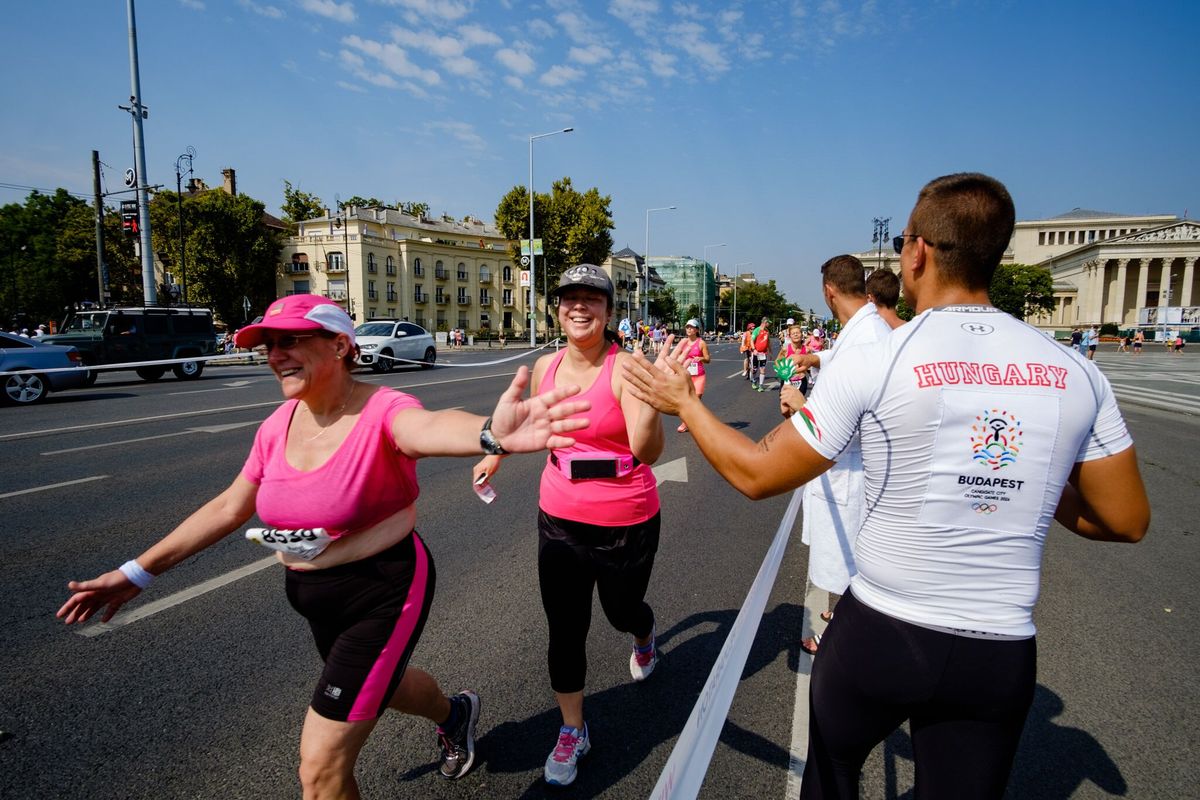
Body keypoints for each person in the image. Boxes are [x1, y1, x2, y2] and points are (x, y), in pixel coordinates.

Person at [623, 172, 1149, 799]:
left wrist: (686, 403)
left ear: (917, 251)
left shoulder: (881, 354)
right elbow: (1125, 520)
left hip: (886, 627)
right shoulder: (1075, 370)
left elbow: (756, 473)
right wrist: (1021, 475)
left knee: (833, 775)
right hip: (999, 647)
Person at [57, 294, 591, 799]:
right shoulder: (276, 426)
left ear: (339, 345)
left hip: (383, 589)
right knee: (388, 683)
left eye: (290, 340)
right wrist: (137, 572)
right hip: (312, 593)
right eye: (267, 345)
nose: (276, 355)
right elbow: (228, 508)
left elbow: (427, 426)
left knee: (320, 769)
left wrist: (488, 434)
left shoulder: (382, 409)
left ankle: (444, 719)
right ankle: (454, 715)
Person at [472, 263, 665, 787]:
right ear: (557, 308)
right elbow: (532, 424)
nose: (579, 306)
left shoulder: (626, 368)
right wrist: (496, 454)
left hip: (627, 514)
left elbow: (648, 449)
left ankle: (644, 633)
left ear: (608, 311)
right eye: (569, 298)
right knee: (565, 627)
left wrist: (648, 406)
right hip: (559, 515)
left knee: (621, 610)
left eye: (592, 299)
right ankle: (573, 728)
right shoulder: (544, 367)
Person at [779, 256, 893, 656]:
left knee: (849, 561)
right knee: (847, 559)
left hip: (852, 469)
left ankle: (841, 638)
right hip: (849, 468)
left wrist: (800, 404)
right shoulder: (864, 328)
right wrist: (815, 358)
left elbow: (840, 423)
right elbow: (845, 359)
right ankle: (843, 618)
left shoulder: (866, 336)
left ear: (828, 291)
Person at [677, 318, 710, 432]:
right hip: (686, 376)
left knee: (695, 400)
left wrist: (701, 358)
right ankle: (691, 421)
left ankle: (686, 423)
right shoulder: (683, 343)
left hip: (699, 376)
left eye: (691, 327)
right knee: (686, 401)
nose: (688, 329)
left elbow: (708, 359)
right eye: (687, 327)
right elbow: (679, 358)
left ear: (696, 330)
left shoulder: (701, 343)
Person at [749, 317, 773, 392]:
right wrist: (754, 349)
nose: (769, 324)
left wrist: (770, 353)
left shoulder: (767, 331)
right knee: (754, 369)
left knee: (762, 369)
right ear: (765, 322)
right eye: (768, 323)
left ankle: (761, 386)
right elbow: (751, 340)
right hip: (756, 353)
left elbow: (768, 342)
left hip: (763, 353)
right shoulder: (757, 330)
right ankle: (753, 380)